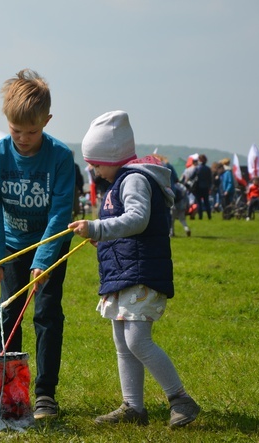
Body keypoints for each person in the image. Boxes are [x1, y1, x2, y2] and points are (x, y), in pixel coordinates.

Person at [69, 110, 200, 428]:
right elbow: (125, 230)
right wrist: (103, 242)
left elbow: (139, 219)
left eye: (96, 162)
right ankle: (133, 407)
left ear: (111, 155)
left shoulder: (135, 180)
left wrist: (99, 229)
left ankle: (180, 399)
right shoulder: (118, 183)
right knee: (123, 343)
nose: (93, 169)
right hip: (124, 273)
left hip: (141, 274)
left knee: (137, 341)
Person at [0, 69, 75, 419]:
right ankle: (7, 391)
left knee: (46, 314)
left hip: (49, 244)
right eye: (15, 130)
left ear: (47, 121)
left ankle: (45, 394)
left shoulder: (61, 158)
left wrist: (44, 258)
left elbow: (60, 211)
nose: (22, 138)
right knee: (9, 313)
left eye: (31, 131)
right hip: (11, 246)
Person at [194, 154, 213, 220]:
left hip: (198, 187)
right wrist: (210, 187)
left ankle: (200, 216)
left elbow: (193, 177)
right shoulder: (208, 169)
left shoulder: (197, 168)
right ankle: (209, 216)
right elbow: (210, 179)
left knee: (199, 202)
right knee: (206, 202)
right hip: (206, 187)